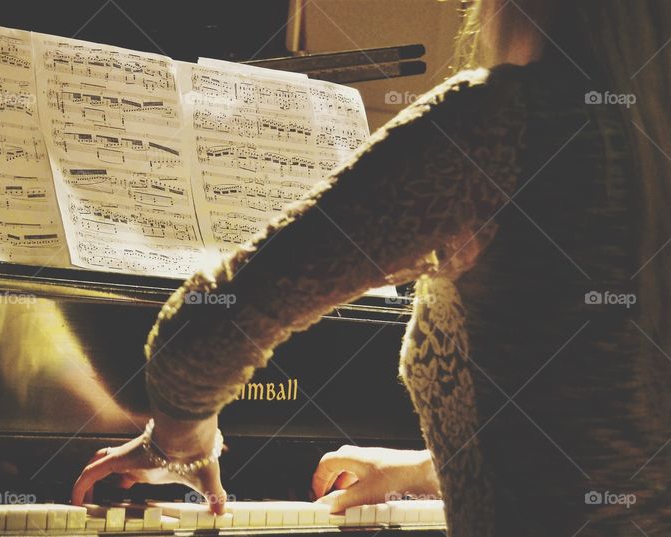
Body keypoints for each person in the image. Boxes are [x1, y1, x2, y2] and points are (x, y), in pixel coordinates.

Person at [72, 1, 671, 535]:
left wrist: (179, 441)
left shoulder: (500, 126)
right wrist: (434, 468)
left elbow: (207, 332)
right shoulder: (646, 146)